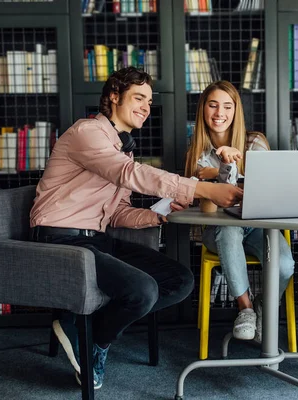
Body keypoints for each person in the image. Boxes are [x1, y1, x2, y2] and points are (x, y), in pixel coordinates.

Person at [29, 67, 243, 389]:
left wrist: (160, 214)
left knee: (180, 281)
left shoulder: (121, 146)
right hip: (62, 241)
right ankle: (95, 343)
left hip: (96, 239)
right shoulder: (87, 132)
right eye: (138, 98)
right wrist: (202, 189)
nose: (146, 106)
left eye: (149, 101)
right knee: (143, 290)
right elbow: (129, 173)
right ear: (114, 97)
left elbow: (117, 214)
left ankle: (87, 329)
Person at [185, 80, 295, 341]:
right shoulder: (197, 151)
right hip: (217, 229)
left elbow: (265, 193)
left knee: (285, 265)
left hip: (258, 227)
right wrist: (223, 169)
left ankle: (262, 306)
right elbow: (209, 208)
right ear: (203, 110)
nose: (219, 113)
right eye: (212, 105)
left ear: (236, 111)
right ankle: (245, 308)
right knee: (228, 229)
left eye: (227, 106)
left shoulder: (255, 142)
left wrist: (218, 173)